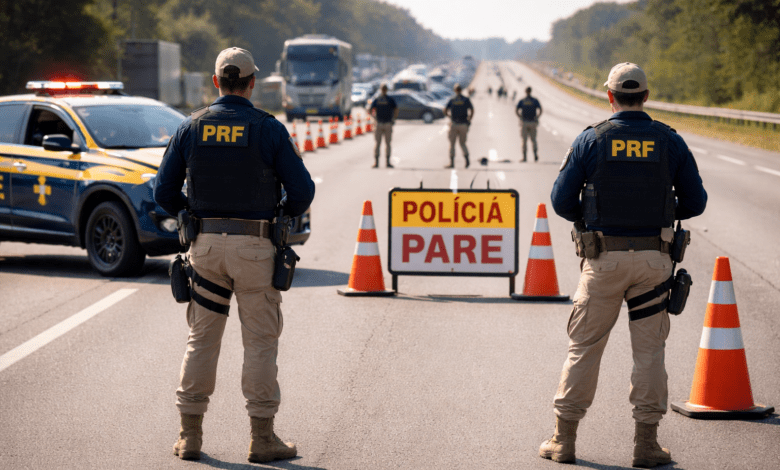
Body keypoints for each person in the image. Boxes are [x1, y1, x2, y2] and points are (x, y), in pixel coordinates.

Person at [154, 47, 315, 464]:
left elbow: (163, 192)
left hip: (205, 248)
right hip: (255, 249)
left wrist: (190, 213)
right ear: (251, 83)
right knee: (259, 342)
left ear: (216, 82)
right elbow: (302, 191)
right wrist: (281, 215)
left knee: (202, 340)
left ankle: (189, 436)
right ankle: (262, 439)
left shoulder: (190, 127)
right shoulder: (268, 129)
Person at [543, 63, 706, 467]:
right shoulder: (669, 140)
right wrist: (660, 210)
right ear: (645, 97)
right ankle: (646, 445)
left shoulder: (591, 139)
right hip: (654, 262)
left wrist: (593, 215)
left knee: (584, 348)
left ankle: (564, 440)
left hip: (603, 261)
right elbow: (696, 202)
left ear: (609, 96)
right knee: (649, 353)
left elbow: (561, 201)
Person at [444, 83, 474, 168]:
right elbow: (472, 110)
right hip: (464, 124)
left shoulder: (452, 99)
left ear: (455, 90)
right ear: (461, 90)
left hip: (454, 124)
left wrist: (449, 117)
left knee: (452, 144)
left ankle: (452, 163)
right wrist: (469, 119)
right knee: (462, 143)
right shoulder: (466, 99)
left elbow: (445, 110)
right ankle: (467, 160)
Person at [368, 84, 398, 168]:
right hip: (387, 123)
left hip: (380, 123)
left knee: (379, 143)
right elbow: (396, 109)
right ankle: (386, 162)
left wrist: (374, 118)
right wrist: (393, 119)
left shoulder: (378, 99)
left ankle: (377, 162)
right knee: (386, 144)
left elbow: (370, 109)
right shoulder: (389, 99)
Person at [516, 86, 542, 162]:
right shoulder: (535, 100)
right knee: (533, 140)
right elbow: (540, 109)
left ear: (525, 91)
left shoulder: (522, 101)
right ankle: (535, 154)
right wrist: (537, 117)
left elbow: (516, 110)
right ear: (531, 91)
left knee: (524, 140)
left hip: (524, 122)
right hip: (533, 122)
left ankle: (524, 157)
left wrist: (520, 117)